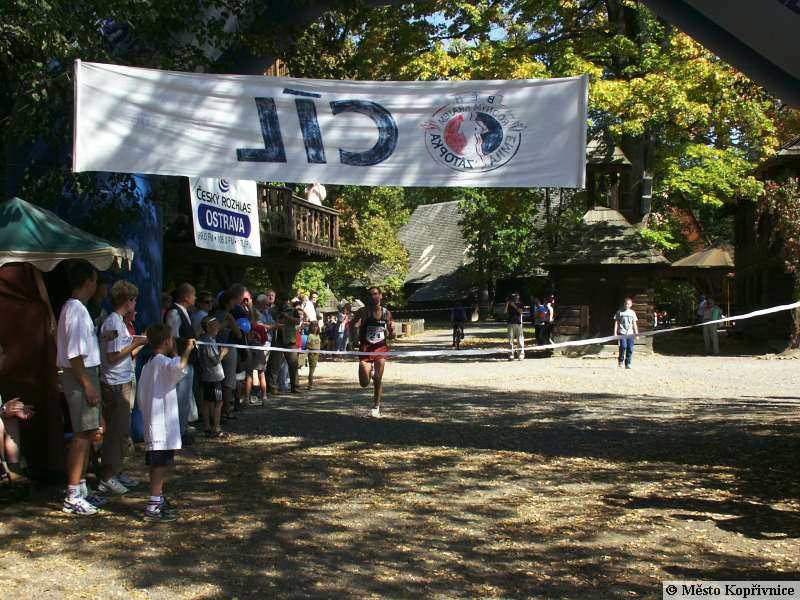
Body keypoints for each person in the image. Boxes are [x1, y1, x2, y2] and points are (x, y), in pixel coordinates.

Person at [58, 262, 106, 515]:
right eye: (95, 281)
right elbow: (75, 355)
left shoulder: (77, 309)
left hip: (84, 374)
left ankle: (82, 488)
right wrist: (88, 385)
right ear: (88, 282)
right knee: (82, 434)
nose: (96, 286)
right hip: (81, 376)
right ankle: (73, 494)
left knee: (87, 433)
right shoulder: (75, 310)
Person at [138, 323, 195, 522]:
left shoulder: (148, 364)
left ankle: (158, 498)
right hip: (159, 423)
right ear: (166, 342)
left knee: (159, 463)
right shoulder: (161, 362)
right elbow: (179, 368)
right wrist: (186, 350)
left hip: (154, 420)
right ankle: (153, 504)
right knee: (159, 464)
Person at [98, 280, 147, 495]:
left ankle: (117, 470)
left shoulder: (119, 322)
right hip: (115, 384)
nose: (135, 304)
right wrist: (136, 343)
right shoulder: (112, 322)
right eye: (134, 300)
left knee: (122, 432)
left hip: (123, 380)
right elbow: (113, 356)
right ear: (127, 301)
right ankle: (107, 476)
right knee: (115, 432)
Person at [351, 287, 395, 418]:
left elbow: (392, 336)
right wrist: (355, 335)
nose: (373, 297)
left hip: (380, 348)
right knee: (364, 383)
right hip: (365, 348)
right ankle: (369, 372)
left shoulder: (386, 313)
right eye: (370, 295)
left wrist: (392, 330)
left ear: (380, 296)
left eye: (375, 294)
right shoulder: (362, 312)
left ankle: (376, 407)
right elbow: (351, 326)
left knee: (378, 379)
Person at [164, 283, 197, 445]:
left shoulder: (184, 312)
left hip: (187, 360)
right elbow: (172, 338)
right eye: (193, 295)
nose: (195, 298)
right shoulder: (174, 313)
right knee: (179, 398)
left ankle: (182, 430)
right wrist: (177, 360)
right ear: (186, 296)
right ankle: (176, 432)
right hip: (180, 363)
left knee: (185, 400)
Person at [197, 316, 229, 438]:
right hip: (213, 377)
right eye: (216, 325)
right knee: (218, 402)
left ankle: (207, 427)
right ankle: (216, 427)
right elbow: (214, 360)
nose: (218, 327)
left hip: (208, 375)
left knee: (207, 402)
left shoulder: (207, 340)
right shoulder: (208, 341)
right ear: (209, 327)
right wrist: (223, 353)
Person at [214, 292, 242, 417]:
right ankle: (226, 410)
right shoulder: (228, 316)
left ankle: (218, 410)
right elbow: (238, 334)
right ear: (228, 302)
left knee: (217, 379)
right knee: (228, 381)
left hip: (215, 348)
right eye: (233, 300)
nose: (235, 303)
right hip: (228, 348)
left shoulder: (215, 314)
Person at [278, 298, 303, 393]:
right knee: (275, 365)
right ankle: (273, 387)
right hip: (277, 340)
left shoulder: (294, 311)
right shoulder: (277, 309)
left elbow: (298, 321)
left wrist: (287, 317)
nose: (286, 303)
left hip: (290, 341)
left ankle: (295, 387)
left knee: (293, 365)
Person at [614, 297, 639, 369]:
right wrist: (615, 333)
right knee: (623, 346)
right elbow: (616, 323)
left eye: (628, 304)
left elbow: (634, 324)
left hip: (630, 333)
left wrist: (636, 334)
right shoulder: (619, 312)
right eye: (626, 304)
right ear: (624, 304)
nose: (627, 305)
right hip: (622, 332)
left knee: (630, 348)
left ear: (631, 305)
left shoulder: (632, 313)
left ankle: (628, 363)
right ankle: (621, 361)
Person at [505, 293, 525, 360]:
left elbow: (521, 312)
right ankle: (511, 355)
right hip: (510, 323)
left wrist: (514, 306)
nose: (515, 297)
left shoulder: (520, 304)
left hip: (518, 324)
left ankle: (521, 355)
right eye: (514, 296)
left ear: (518, 297)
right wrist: (507, 304)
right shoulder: (509, 304)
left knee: (520, 340)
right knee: (510, 340)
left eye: (516, 296)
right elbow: (505, 311)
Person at [306, 322, 321, 390]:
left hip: (317, 353)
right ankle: (310, 385)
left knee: (313, 369)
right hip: (312, 354)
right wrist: (311, 349)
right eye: (313, 326)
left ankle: (310, 384)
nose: (315, 328)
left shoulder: (318, 335)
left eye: (316, 326)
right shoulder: (310, 335)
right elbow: (308, 345)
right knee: (311, 370)